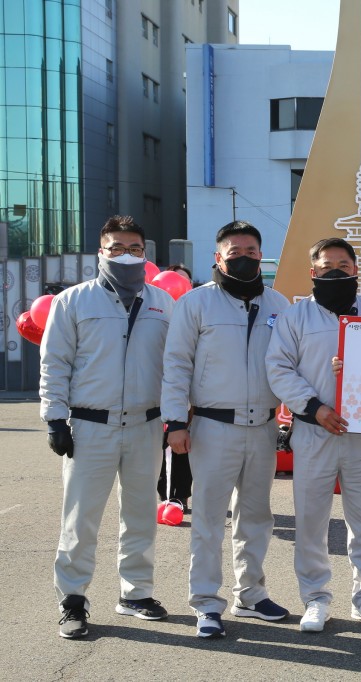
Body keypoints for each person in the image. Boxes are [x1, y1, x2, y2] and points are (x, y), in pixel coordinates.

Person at [39, 215, 175, 639]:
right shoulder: (73, 302)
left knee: (139, 516)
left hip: (146, 425)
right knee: (80, 520)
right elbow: (54, 362)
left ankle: (135, 593)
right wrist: (54, 417)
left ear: (145, 253)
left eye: (133, 248)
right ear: (101, 252)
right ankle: (73, 599)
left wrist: (176, 417)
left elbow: (177, 365)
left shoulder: (163, 303)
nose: (125, 254)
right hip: (89, 426)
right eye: (115, 248)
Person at [162, 220, 291, 638]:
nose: (244, 258)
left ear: (261, 256)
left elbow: (294, 363)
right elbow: (177, 364)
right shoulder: (196, 304)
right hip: (213, 427)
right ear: (218, 258)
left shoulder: (280, 305)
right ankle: (205, 602)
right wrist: (176, 422)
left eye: (251, 252)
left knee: (255, 516)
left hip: (264, 428)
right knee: (209, 519)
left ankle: (250, 594)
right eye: (234, 253)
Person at [265, 237, 361, 633]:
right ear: (313, 272)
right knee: (311, 520)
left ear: (356, 270)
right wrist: (315, 407)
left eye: (343, 264)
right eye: (327, 265)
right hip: (313, 432)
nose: (335, 271)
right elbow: (279, 368)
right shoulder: (295, 316)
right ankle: (315, 598)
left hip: (360, 435)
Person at [157, 264, 194, 511]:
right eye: (172, 279)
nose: (177, 285)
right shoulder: (154, 310)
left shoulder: (194, 311)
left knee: (183, 447)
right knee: (160, 447)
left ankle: (180, 496)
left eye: (183, 281)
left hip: (187, 393)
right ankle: (165, 494)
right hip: (156, 392)